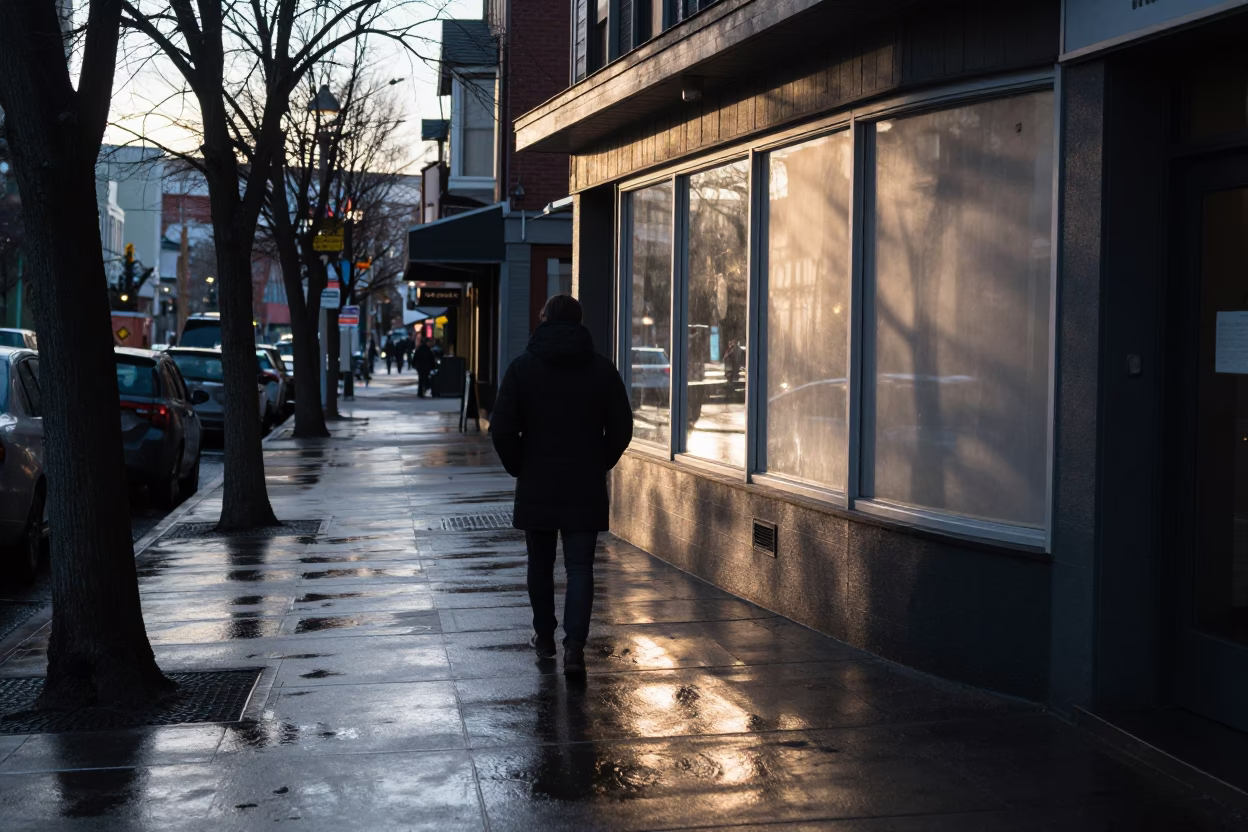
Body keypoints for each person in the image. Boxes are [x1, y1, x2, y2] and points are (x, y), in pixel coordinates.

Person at [491, 294, 633, 675]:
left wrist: (520, 464)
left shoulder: (522, 368)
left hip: (537, 481)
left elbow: (502, 428)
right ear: (580, 322)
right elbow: (622, 427)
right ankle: (575, 648)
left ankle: (544, 638)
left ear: (544, 320)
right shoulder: (602, 370)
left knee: (539, 564)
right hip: (583, 482)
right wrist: (600, 461)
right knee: (580, 567)